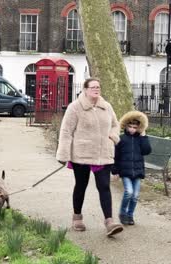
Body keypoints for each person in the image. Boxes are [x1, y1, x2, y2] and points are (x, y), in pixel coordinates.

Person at [56, 77, 124, 236]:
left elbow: (115, 124)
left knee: (104, 186)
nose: (96, 89)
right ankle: (77, 217)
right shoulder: (75, 107)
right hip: (82, 154)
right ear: (85, 90)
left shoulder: (106, 106)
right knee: (81, 185)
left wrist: (113, 137)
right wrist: (63, 153)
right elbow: (66, 131)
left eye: (98, 87)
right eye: (93, 87)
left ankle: (109, 222)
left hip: (103, 154)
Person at [112, 111, 152, 225]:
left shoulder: (141, 139)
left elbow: (147, 151)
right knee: (128, 192)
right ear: (126, 126)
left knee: (135, 195)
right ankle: (122, 213)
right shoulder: (121, 139)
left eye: (135, 127)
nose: (132, 129)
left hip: (138, 171)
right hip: (125, 171)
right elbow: (116, 156)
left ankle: (130, 215)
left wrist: (144, 136)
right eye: (130, 126)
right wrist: (115, 171)